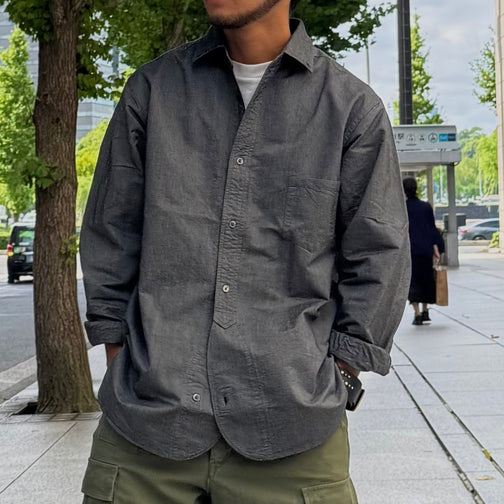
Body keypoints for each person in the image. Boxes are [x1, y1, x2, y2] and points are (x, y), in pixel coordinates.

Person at [80, 1, 411, 502]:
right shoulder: (152, 91)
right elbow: (112, 229)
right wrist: (117, 350)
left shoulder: (350, 108)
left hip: (293, 432)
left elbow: (380, 254)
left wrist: (342, 372)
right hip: (146, 428)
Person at [403, 177, 441, 326]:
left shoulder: (403, 208)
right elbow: (432, 229)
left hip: (410, 251)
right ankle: (425, 311)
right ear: (416, 188)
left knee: (413, 282)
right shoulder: (426, 207)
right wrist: (436, 249)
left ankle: (417, 313)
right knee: (426, 280)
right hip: (425, 250)